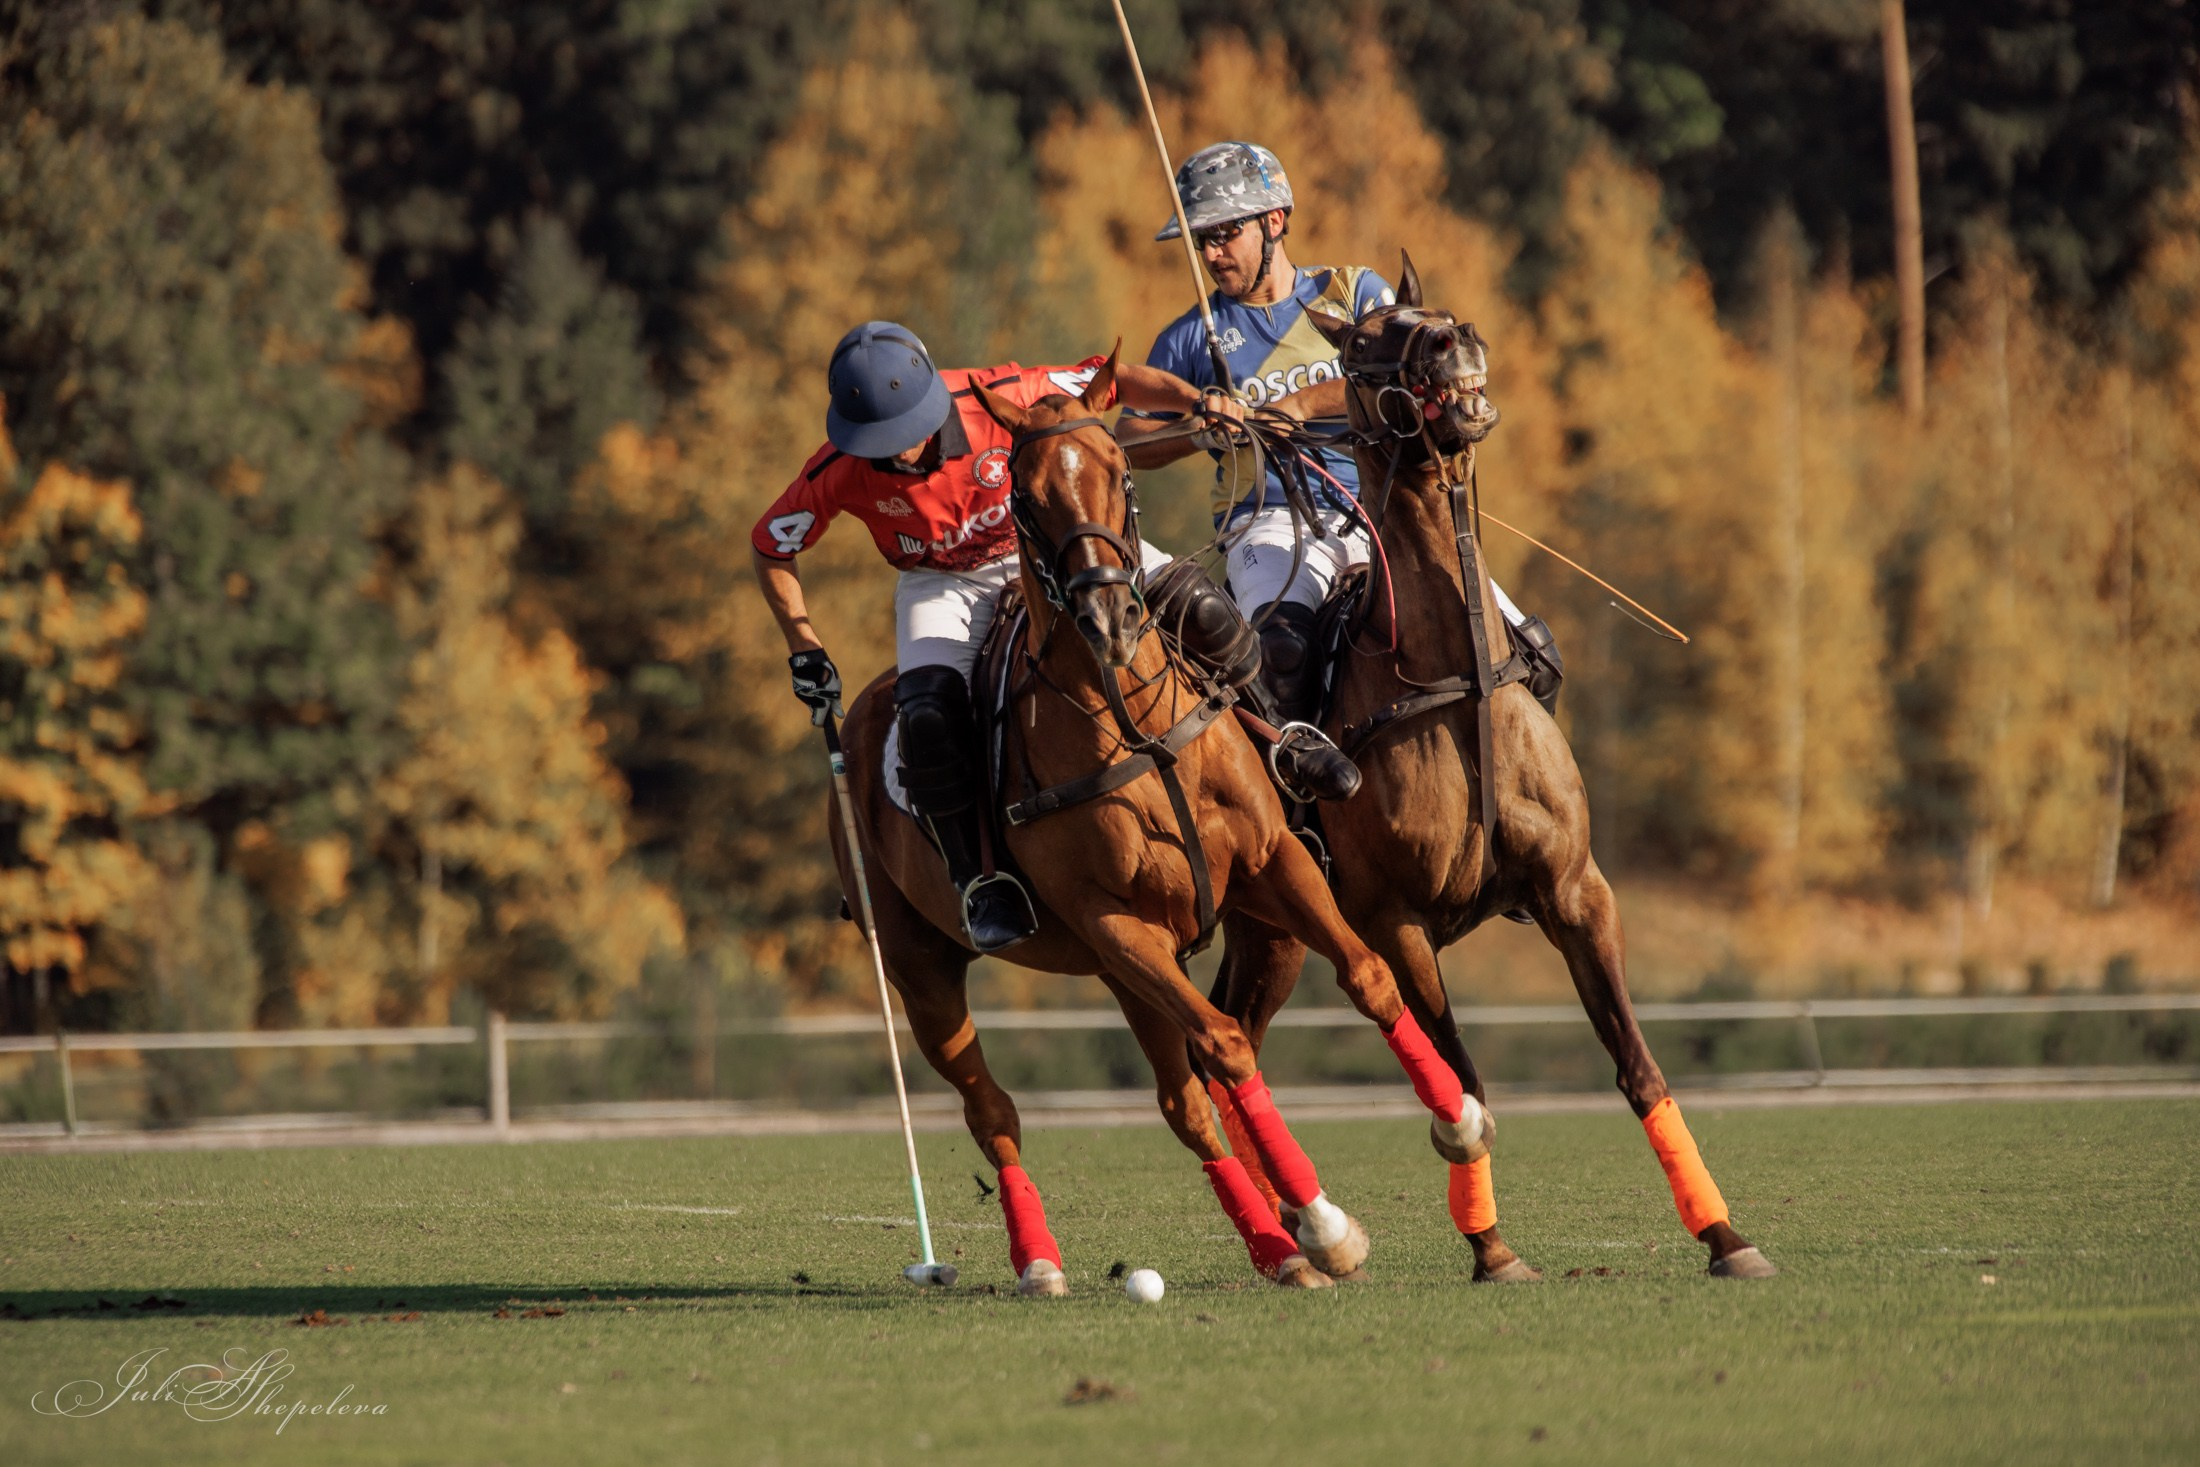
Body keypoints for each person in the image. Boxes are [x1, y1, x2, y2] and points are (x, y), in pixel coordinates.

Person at [751, 321, 1247, 954]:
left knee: (1202, 607)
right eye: (885, 444)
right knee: (927, 718)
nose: (902, 454)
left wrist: (1198, 402)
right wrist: (803, 643)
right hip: (941, 584)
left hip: (1048, 550)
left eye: (911, 433)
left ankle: (1285, 747)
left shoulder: (1000, 395)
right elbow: (770, 545)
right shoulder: (838, 468)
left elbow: (1115, 381)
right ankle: (978, 879)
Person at [1119, 141, 1565, 807]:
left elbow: (1407, 370)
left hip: (1381, 509)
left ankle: (1532, 803)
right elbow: (1127, 438)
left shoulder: (1354, 291)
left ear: (1275, 221)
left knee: (1534, 654)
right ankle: (1297, 821)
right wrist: (1199, 426)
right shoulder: (1192, 336)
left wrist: (1293, 405)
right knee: (1281, 653)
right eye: (1200, 241)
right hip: (1264, 520)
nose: (1212, 255)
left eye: (1224, 234)